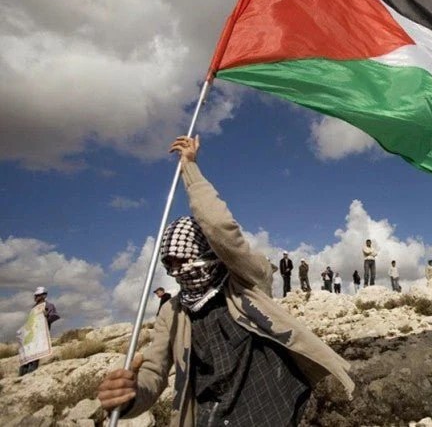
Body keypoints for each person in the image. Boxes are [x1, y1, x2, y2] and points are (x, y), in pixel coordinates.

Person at [97, 135, 353, 426]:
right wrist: (130, 395)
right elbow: (154, 371)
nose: (179, 270)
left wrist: (190, 168)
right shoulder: (173, 312)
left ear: (208, 251)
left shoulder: (246, 281)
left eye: (184, 259)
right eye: (171, 264)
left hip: (274, 410)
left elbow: (220, 228)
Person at [18, 286, 60, 376]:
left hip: (40, 335)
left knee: (34, 357)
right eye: (35, 295)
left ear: (44, 295)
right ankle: (22, 376)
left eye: (38, 295)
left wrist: (47, 316)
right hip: (31, 336)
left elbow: (54, 316)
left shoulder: (48, 306)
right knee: (26, 357)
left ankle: (30, 376)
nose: (35, 297)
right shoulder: (33, 308)